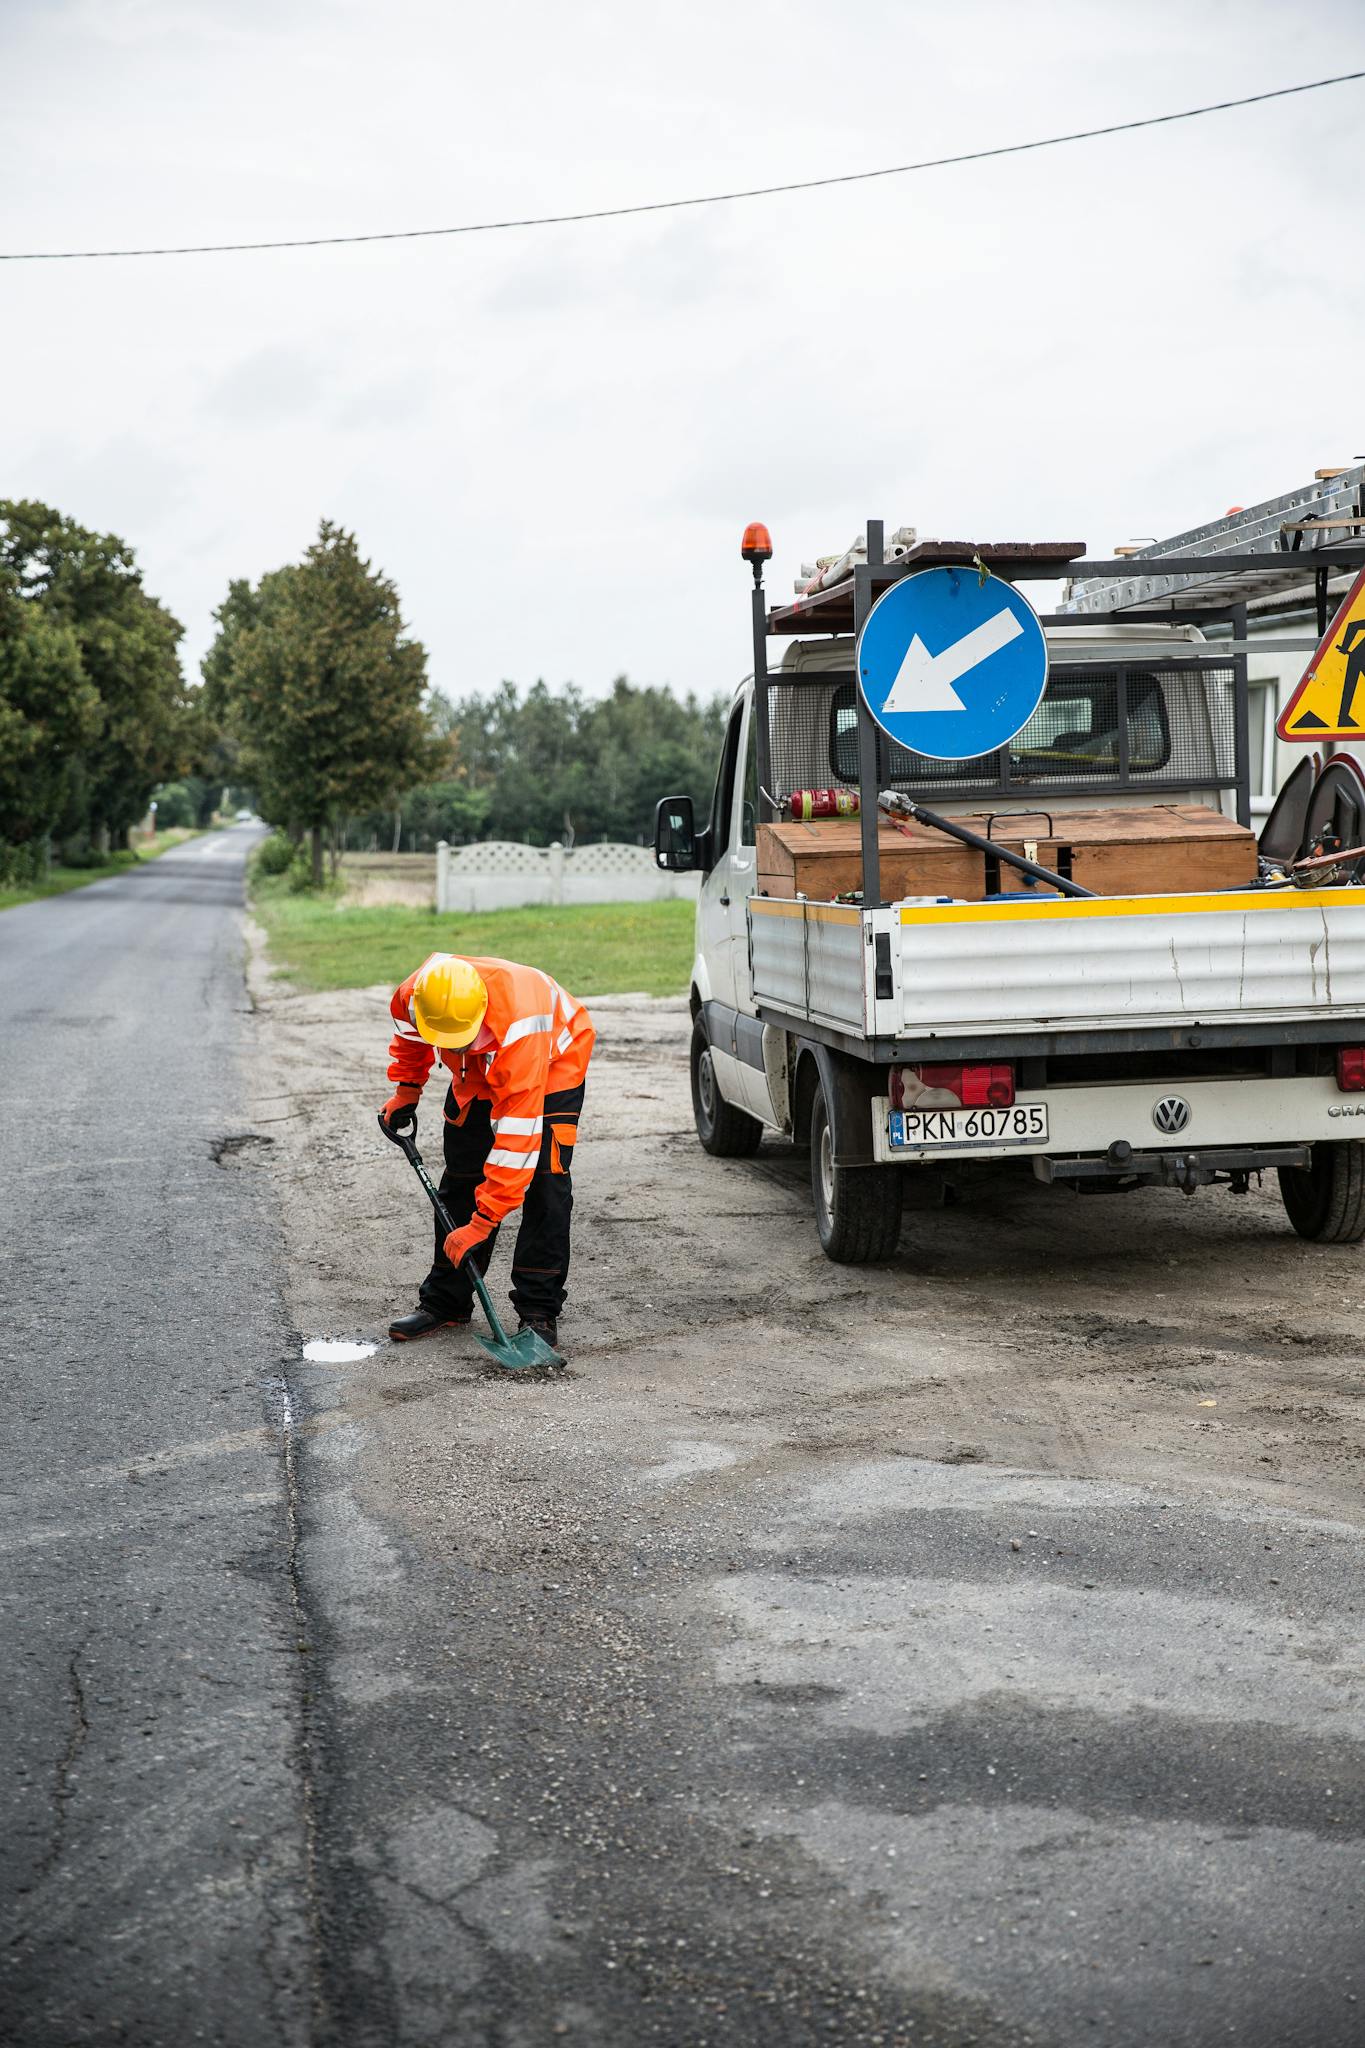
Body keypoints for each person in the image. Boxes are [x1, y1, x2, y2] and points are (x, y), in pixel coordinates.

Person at [381, 953, 594, 1351]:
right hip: (476, 1064)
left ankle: (537, 1311)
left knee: (544, 1181)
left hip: (551, 1062)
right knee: (463, 1174)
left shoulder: (522, 1024)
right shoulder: (417, 996)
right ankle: (447, 1301)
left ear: (479, 1014)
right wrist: (407, 1089)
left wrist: (482, 1223)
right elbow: (411, 1037)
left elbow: (517, 1142)